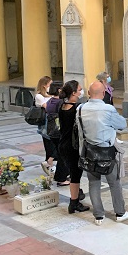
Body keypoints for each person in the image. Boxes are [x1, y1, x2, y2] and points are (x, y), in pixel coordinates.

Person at [77, 81, 128, 225]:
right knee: (114, 183)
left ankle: (98, 216)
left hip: (89, 151)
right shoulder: (108, 109)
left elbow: (80, 132)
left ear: (88, 93)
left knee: (93, 183)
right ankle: (120, 213)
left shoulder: (80, 109)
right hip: (107, 152)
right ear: (103, 93)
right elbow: (122, 124)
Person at [57, 81, 89, 214]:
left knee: (73, 173)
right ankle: (74, 202)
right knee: (75, 175)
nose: (81, 92)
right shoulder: (76, 109)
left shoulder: (62, 106)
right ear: (74, 93)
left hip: (63, 144)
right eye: (79, 90)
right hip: (72, 146)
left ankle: (76, 196)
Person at [44, 83, 70, 186]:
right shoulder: (60, 102)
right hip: (59, 131)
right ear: (59, 90)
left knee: (60, 152)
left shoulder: (50, 101)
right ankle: (61, 178)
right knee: (63, 154)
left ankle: (60, 174)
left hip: (51, 131)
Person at [35, 76, 58, 176]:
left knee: (54, 145)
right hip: (46, 123)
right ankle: (49, 164)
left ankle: (49, 164)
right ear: (44, 85)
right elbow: (47, 107)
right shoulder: (39, 96)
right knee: (49, 145)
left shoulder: (51, 95)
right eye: (50, 84)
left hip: (53, 122)